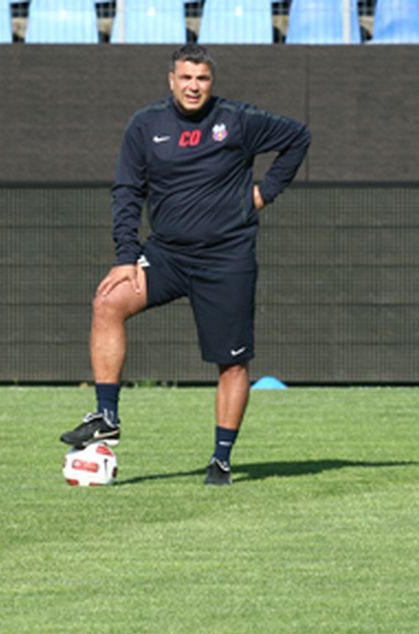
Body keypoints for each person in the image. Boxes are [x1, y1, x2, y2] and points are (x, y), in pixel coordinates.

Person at [59, 43, 311, 486]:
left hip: (226, 258)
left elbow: (297, 137)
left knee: (232, 364)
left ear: (211, 83)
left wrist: (264, 193)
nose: (194, 86)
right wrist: (124, 256)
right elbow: (126, 192)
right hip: (167, 254)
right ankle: (106, 416)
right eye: (186, 78)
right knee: (107, 302)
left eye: (203, 79)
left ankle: (221, 459)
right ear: (171, 80)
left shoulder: (237, 120)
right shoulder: (145, 125)